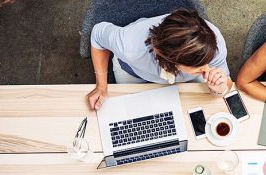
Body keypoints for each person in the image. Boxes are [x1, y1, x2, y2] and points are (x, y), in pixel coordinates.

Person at [87, 9, 233, 110]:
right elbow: (98, 34)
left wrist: (220, 89)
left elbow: (227, 83)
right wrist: (101, 86)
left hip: (184, 76)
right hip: (134, 73)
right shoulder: (130, 45)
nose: (207, 68)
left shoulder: (214, 43)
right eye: (198, 65)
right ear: (167, 56)